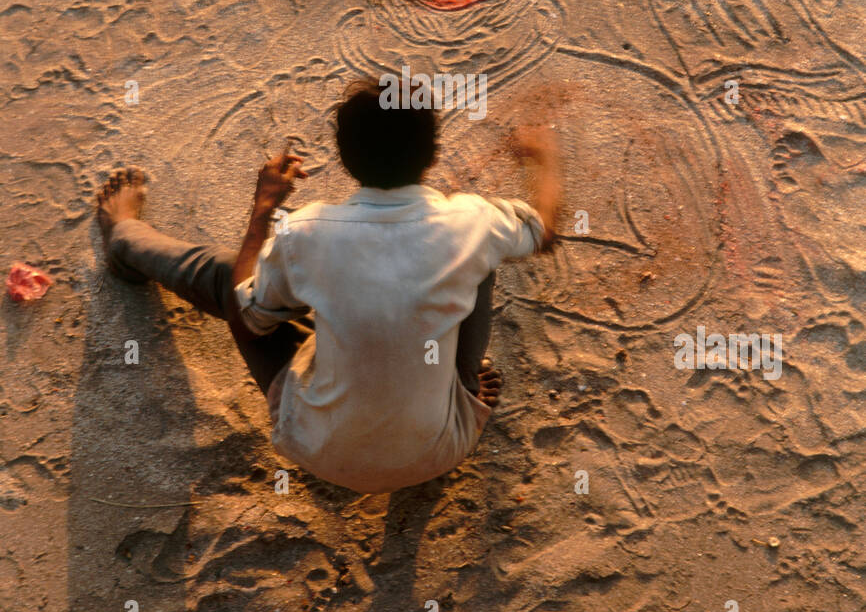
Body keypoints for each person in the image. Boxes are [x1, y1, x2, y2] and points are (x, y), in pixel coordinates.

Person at [96, 78, 562, 493]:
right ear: (433, 155)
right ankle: (458, 388)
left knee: (233, 281)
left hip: (318, 449)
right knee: (479, 261)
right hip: (442, 448)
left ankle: (125, 241)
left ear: (344, 158)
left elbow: (252, 318)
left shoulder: (306, 230)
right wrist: (545, 157)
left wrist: (263, 209)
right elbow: (543, 231)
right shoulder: (472, 218)